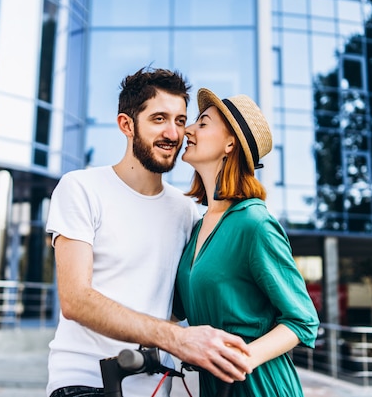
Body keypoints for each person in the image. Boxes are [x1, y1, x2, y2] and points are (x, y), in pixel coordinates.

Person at [45, 69, 251, 397]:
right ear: (127, 125)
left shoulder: (185, 211)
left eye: (181, 120)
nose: (173, 132)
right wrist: (177, 339)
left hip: (155, 385)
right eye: (159, 118)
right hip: (86, 380)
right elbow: (75, 300)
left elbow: (178, 303)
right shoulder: (81, 188)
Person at [174, 88, 320, 397]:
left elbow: (302, 320)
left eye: (202, 123)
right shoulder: (197, 227)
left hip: (260, 387)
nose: (187, 130)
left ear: (230, 144)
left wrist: (238, 360)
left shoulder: (254, 223)